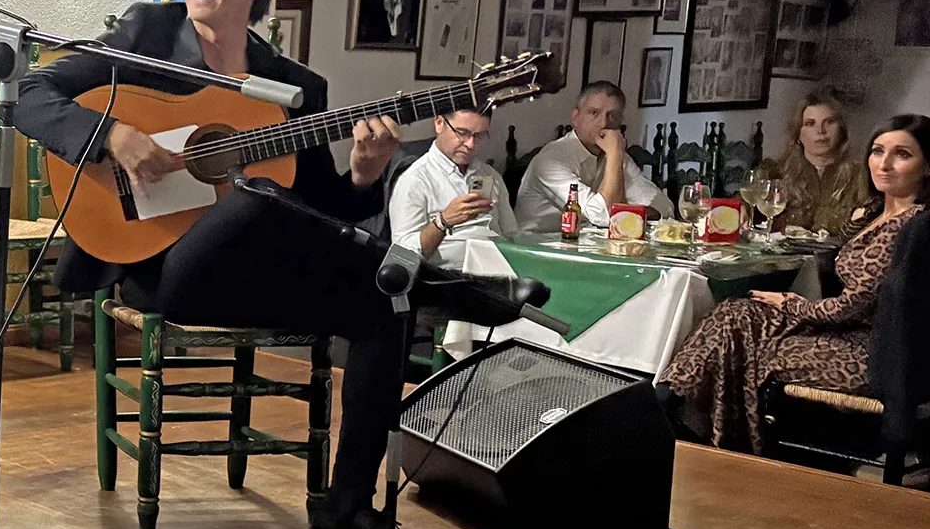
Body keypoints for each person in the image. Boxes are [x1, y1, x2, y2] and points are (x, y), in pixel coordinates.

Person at [13, 0, 445, 529]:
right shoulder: (145, 34)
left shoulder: (294, 88)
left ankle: (347, 512)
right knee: (256, 199)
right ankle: (437, 279)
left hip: (256, 275)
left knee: (382, 302)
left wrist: (365, 176)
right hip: (157, 262)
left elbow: (327, 204)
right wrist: (112, 137)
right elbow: (29, 94)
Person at [658, 114, 929, 451]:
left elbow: (851, 307)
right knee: (736, 315)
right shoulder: (875, 212)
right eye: (877, 151)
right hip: (842, 333)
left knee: (751, 346)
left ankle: (685, 424)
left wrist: (790, 303)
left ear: (927, 166)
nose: (884, 164)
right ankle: (673, 407)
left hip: (874, 354)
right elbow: (841, 261)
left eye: (902, 154)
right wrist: (858, 220)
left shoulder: (913, 227)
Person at [515, 81, 675, 233]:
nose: (603, 123)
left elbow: (663, 206)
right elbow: (603, 216)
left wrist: (626, 212)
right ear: (575, 118)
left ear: (620, 122)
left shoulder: (617, 155)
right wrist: (614, 155)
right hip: (538, 248)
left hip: (586, 247)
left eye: (612, 115)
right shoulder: (551, 161)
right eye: (594, 113)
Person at [388, 108, 518, 266]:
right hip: (448, 281)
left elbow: (512, 236)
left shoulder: (490, 175)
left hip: (502, 274)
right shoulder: (414, 180)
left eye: (478, 135)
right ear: (439, 123)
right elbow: (402, 258)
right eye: (462, 132)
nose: (470, 144)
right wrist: (443, 222)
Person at [749, 92, 867, 234]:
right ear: (797, 133)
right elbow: (746, 198)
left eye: (829, 122)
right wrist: (741, 209)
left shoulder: (862, 175)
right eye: (810, 124)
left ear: (842, 129)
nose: (821, 131)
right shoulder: (776, 170)